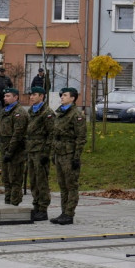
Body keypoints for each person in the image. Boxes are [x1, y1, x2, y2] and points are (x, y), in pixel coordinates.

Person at [50, 87, 87, 225]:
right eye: (62, 95)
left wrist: (76, 157)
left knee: (71, 185)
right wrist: (53, 153)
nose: (62, 97)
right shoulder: (60, 113)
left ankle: (69, 213)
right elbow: (55, 135)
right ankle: (63, 211)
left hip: (69, 154)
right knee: (62, 185)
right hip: (59, 153)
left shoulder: (76, 115)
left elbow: (81, 138)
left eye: (65, 95)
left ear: (72, 98)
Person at [24, 86, 55, 221]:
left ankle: (43, 208)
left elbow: (51, 133)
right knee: (33, 180)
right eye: (31, 95)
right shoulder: (31, 111)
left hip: (40, 150)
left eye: (34, 95)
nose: (31, 97)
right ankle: (36, 205)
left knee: (41, 181)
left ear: (42, 96)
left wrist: (46, 152)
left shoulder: (47, 112)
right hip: (31, 150)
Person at [0, 88, 28, 207]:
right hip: (5, 151)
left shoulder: (19, 113)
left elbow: (17, 134)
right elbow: (0, 132)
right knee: (6, 179)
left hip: (16, 152)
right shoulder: (5, 111)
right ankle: (7, 202)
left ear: (16, 97)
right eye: (4, 96)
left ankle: (14, 204)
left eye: (8, 96)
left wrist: (10, 152)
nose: (5, 98)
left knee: (15, 179)